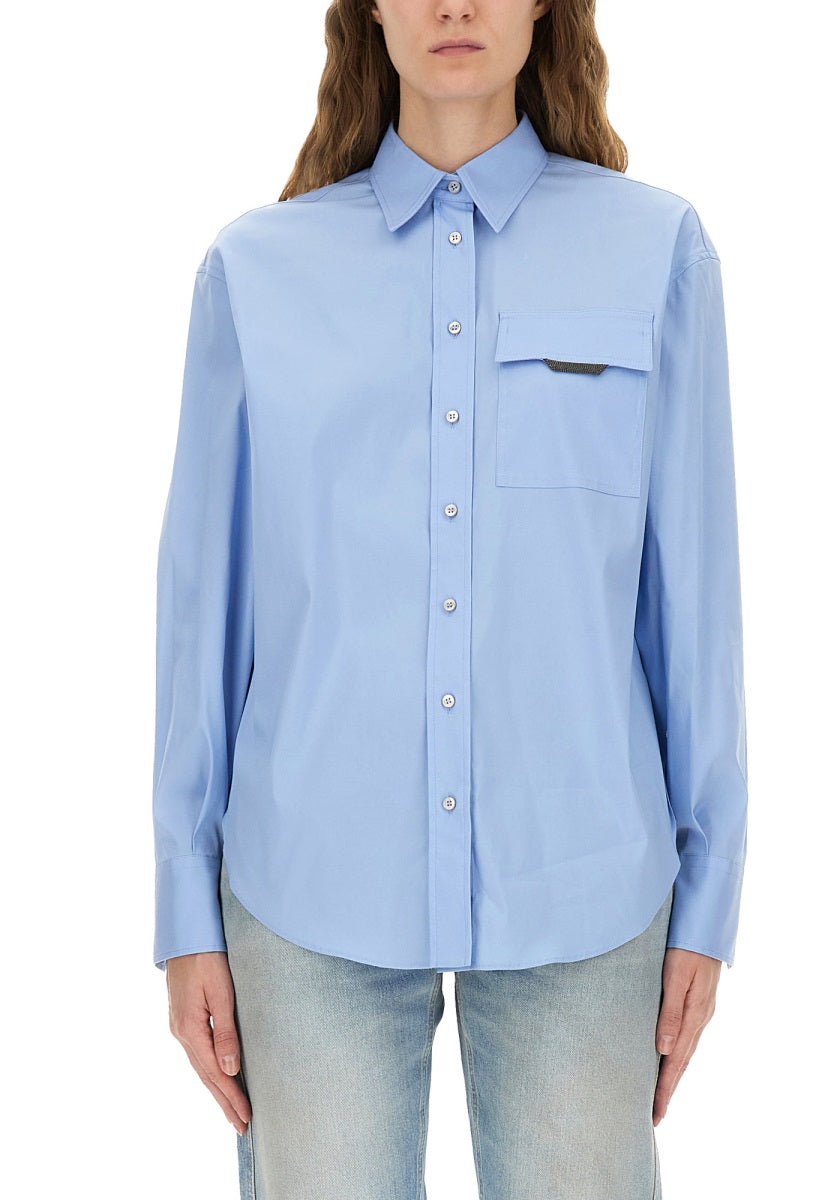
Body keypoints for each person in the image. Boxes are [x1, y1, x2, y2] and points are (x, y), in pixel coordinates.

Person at [152, 2, 749, 1196]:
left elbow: (694, 600)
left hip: (584, 885)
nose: (457, 5)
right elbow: (203, 615)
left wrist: (709, 901)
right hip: (307, 886)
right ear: (372, 6)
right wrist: (183, 913)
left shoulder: (655, 252)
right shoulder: (256, 272)